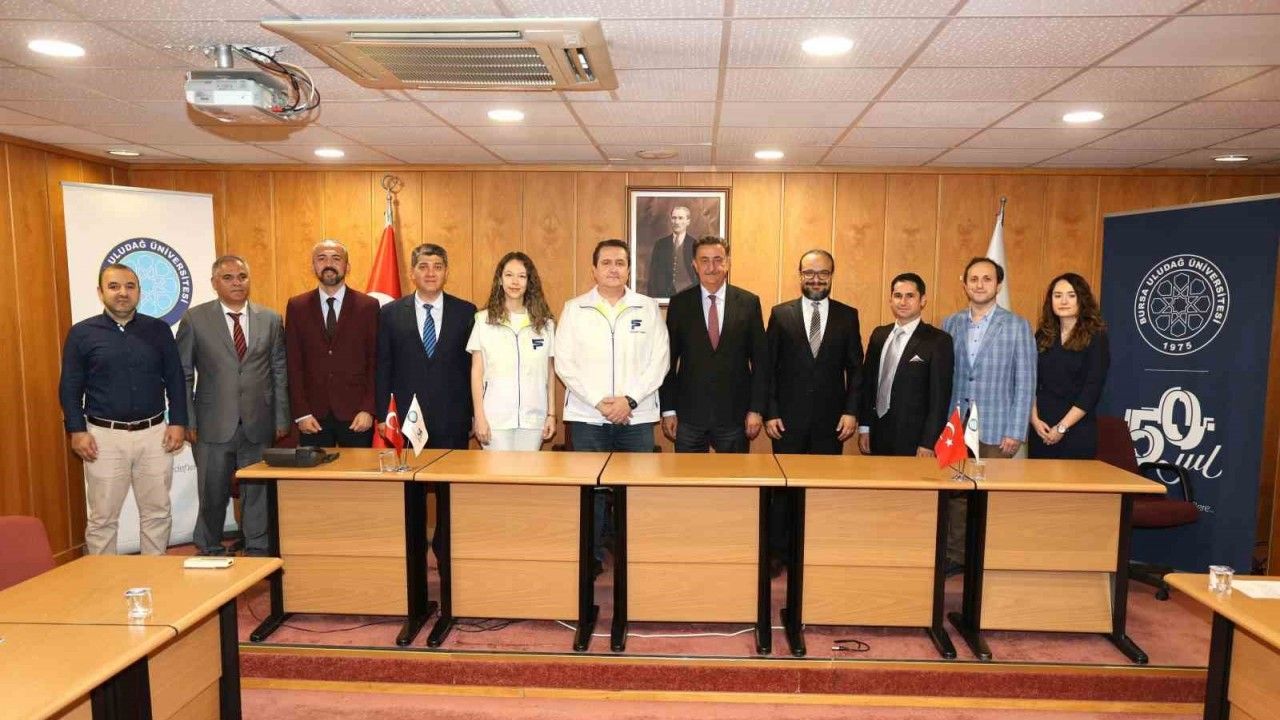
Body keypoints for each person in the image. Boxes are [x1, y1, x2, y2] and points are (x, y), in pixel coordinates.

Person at [58, 263, 187, 555]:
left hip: (154, 434)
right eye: (114, 286)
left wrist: (178, 421)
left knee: (157, 512)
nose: (122, 293)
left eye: (130, 286)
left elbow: (175, 379)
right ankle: (103, 577)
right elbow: (70, 386)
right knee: (103, 518)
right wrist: (76, 430)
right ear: (100, 292)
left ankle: (155, 573)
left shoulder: (158, 330)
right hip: (103, 437)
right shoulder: (82, 333)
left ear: (139, 292)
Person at [556, 239, 669, 569]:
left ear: (629, 269)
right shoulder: (574, 308)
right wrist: (599, 402)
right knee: (591, 491)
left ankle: (635, 559)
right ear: (594, 270)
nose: (613, 269)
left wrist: (628, 400)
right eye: (606, 263)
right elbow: (565, 363)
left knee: (636, 492)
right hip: (588, 417)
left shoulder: (647, 307)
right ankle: (590, 558)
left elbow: (660, 360)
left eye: (620, 263)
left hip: (637, 417)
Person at [176, 256, 289, 557]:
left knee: (258, 492)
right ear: (214, 283)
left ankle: (258, 549)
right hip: (211, 424)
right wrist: (187, 420)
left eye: (242, 276)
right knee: (212, 491)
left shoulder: (271, 319)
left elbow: (279, 371)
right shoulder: (195, 319)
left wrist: (281, 417)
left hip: (258, 421)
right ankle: (209, 547)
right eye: (228, 278)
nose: (236, 283)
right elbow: (183, 374)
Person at [942, 256, 1036, 566]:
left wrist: (1016, 430)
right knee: (955, 497)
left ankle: (988, 560)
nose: (979, 284)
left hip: (998, 429)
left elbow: (1025, 381)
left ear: (998, 285)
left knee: (991, 497)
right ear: (964, 283)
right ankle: (956, 557)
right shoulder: (950, 323)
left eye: (987, 279)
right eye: (974, 279)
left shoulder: (1017, 325)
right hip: (956, 426)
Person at [661, 236, 768, 453]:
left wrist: (756, 409)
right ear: (694, 264)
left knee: (734, 475)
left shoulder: (749, 303)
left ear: (727, 263)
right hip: (688, 417)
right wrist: (669, 410)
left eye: (718, 260)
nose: (711, 267)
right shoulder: (680, 304)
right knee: (686, 474)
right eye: (705, 260)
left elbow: (760, 361)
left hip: (735, 417)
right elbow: (668, 362)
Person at [376, 243, 476, 450]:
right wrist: (383, 415)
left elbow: (471, 369)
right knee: (409, 472)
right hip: (405, 417)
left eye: (437, 267)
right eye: (423, 267)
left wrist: (473, 414)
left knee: (453, 471)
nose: (431, 273)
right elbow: (383, 367)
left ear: (446, 273)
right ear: (412, 273)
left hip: (453, 418)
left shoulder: (466, 312)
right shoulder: (390, 313)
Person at [765, 249, 864, 455]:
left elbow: (856, 370)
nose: (816, 279)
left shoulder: (847, 316)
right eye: (809, 273)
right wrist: (771, 412)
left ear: (831, 275)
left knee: (824, 475)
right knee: (786, 476)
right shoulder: (780, 314)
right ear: (800, 275)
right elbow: (768, 368)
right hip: (786, 422)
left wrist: (851, 412)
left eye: (823, 273)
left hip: (832, 423)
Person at [285, 239, 379, 447]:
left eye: (336, 258)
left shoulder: (368, 306)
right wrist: (301, 413)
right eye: (322, 258)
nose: (329, 264)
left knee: (358, 469)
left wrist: (368, 409)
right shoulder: (297, 306)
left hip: (356, 415)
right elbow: (293, 364)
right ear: (313, 266)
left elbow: (375, 361)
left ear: (347, 266)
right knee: (315, 470)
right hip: (312, 416)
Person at [467, 252, 557, 451]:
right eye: (509, 275)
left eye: (521, 276)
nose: (515, 282)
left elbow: (550, 372)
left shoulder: (545, 324)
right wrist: (479, 416)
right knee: (498, 471)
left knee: (527, 471)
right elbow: (477, 373)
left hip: (534, 419)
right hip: (495, 419)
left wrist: (551, 414)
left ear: (529, 282)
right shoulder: (483, 320)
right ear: (500, 280)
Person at [858, 272, 954, 457]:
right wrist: (864, 427)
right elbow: (868, 384)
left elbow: (940, 398)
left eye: (910, 296)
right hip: (877, 432)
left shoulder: (938, 340)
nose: (903, 302)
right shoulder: (879, 335)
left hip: (914, 439)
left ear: (922, 300)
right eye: (898, 295)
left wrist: (928, 442)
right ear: (890, 300)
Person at [1028, 273, 1110, 459]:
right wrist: (1034, 419)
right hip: (1041, 428)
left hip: (1076, 430)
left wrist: (1062, 427)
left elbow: (1092, 389)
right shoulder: (1043, 335)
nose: (1063, 301)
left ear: (1082, 299)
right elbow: (1030, 380)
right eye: (1057, 295)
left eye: (1071, 295)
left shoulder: (1096, 337)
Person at [646, 205, 697, 298]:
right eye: (674, 218)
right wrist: (652, 299)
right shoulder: (660, 244)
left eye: (680, 218)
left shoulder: (695, 244)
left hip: (689, 296)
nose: (676, 222)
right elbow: (653, 275)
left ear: (688, 221)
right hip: (663, 296)